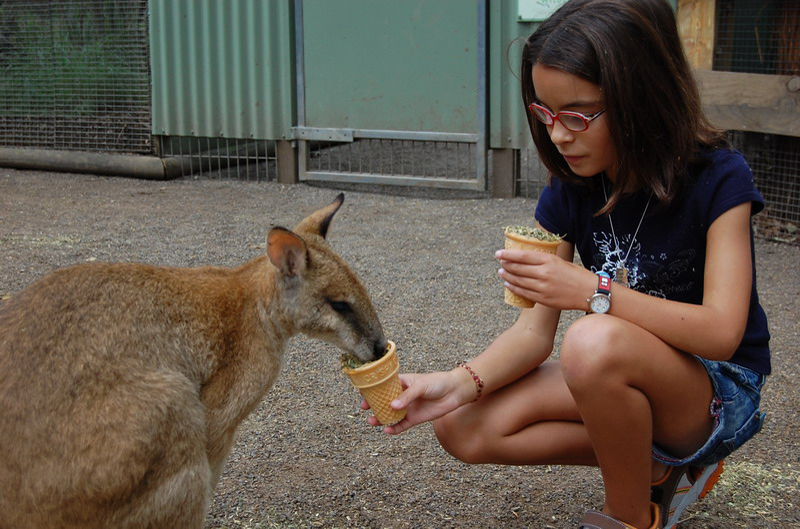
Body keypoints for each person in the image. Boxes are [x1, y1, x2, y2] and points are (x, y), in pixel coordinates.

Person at [365, 0, 771, 527]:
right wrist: (456, 382)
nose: (558, 135)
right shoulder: (572, 187)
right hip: (625, 369)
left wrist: (591, 290)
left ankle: (628, 516)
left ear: (640, 97)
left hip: (715, 393)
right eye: (545, 114)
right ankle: (651, 465)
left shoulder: (720, 178)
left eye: (577, 115)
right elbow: (533, 334)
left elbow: (721, 333)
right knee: (461, 425)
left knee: (592, 339)